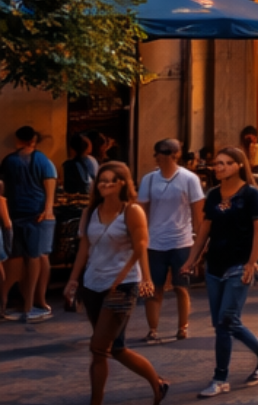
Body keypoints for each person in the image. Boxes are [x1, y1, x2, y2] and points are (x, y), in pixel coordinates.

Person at [65, 160, 166, 405]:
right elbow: (84, 248)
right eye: (101, 180)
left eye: (111, 180)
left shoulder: (131, 211)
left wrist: (145, 278)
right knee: (116, 348)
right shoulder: (90, 212)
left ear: (123, 183)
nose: (105, 184)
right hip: (92, 284)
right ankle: (158, 384)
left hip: (121, 287)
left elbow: (142, 245)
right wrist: (73, 280)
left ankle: (95, 402)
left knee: (99, 348)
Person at [185, 147, 258, 397]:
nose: (218, 167)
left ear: (239, 165)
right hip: (215, 265)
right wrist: (192, 259)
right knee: (224, 322)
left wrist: (251, 262)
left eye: (225, 163)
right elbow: (205, 230)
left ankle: (220, 378)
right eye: (216, 163)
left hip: (239, 265)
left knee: (225, 320)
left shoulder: (251, 194)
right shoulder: (213, 195)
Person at [138, 138, 205, 341]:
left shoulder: (189, 179)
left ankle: (182, 327)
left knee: (181, 286)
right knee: (153, 288)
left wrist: (199, 244)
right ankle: (153, 329)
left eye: (161, 153)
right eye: (157, 153)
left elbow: (198, 213)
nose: (157, 157)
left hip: (181, 241)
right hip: (155, 241)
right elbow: (141, 210)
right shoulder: (149, 179)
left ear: (173, 155)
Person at [2, 124, 58, 322]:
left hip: (15, 213)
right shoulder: (42, 160)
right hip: (37, 214)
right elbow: (50, 181)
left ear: (19, 140)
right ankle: (34, 303)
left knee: (17, 258)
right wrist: (49, 209)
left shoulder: (9, 161)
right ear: (33, 140)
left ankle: (13, 301)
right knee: (37, 256)